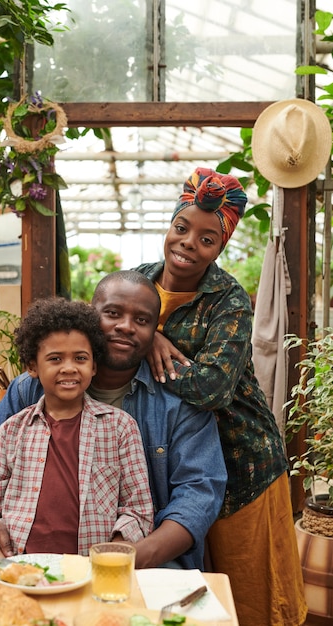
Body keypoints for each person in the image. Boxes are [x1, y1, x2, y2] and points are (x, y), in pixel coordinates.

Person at [0, 270, 227, 570]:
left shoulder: (177, 402)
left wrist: (126, 558)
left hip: (150, 558)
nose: (125, 327)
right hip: (25, 559)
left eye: (142, 320)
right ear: (91, 315)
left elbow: (199, 495)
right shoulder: (29, 389)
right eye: (112, 313)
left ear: (155, 331)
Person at [134, 167, 307, 626]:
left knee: (251, 598)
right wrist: (146, 336)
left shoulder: (228, 299)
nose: (189, 243)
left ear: (220, 248)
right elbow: (100, 324)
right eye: (181, 228)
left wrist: (141, 340)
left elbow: (212, 387)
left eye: (207, 239)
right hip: (180, 464)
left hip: (241, 463)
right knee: (191, 600)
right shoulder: (137, 281)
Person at [0, 297, 153, 555]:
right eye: (55, 359)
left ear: (94, 366)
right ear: (32, 366)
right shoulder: (10, 431)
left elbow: (138, 508)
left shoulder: (121, 428)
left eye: (80, 358)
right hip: (21, 564)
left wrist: (118, 547)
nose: (69, 368)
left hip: (90, 567)